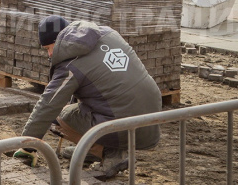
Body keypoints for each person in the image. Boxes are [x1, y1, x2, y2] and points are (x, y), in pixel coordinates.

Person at [11, 16, 162, 179]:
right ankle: (89, 149)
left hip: (124, 123)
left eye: (49, 47)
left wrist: (28, 146)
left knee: (57, 120)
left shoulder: (70, 66)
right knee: (86, 105)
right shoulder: (108, 33)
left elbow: (47, 106)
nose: (49, 54)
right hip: (154, 115)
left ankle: (109, 153)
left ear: (60, 40)